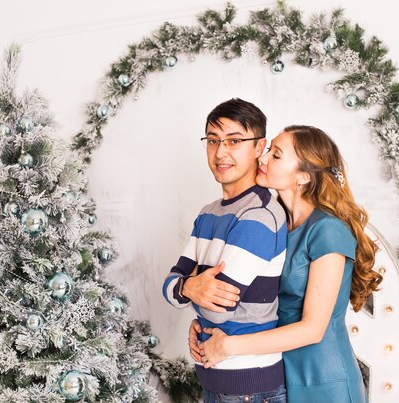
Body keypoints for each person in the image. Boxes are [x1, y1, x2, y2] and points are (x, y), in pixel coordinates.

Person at [189, 125, 383, 403]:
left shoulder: (327, 230)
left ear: (303, 175)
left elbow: (313, 329)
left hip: (323, 380)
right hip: (279, 374)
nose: (263, 158)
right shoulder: (273, 222)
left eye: (276, 155)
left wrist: (229, 345)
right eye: (268, 151)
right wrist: (202, 321)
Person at [162, 98, 288, 402]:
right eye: (213, 140)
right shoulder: (208, 213)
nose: (220, 152)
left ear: (260, 147)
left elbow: (217, 311)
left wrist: (187, 287)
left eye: (234, 141)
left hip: (250, 388)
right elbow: (168, 287)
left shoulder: (259, 215)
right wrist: (191, 286)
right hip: (216, 380)